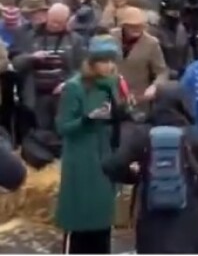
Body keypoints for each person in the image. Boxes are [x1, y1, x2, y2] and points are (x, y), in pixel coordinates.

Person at [102, 83, 198, 254]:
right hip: (189, 216)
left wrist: (134, 176)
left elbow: (111, 165)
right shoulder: (192, 134)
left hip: (151, 215)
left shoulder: (143, 134)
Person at [55, 35, 123, 254]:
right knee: (82, 219)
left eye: (112, 61)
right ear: (92, 62)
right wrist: (88, 119)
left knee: (103, 219)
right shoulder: (75, 87)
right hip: (82, 159)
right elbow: (63, 126)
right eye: (104, 61)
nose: (109, 66)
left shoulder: (111, 84)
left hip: (105, 155)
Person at [13, 3, 86, 133]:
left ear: (67, 22)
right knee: (41, 129)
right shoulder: (30, 36)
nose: (55, 25)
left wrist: (68, 83)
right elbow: (16, 63)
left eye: (59, 23)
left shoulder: (75, 40)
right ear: (47, 17)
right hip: (36, 92)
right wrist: (32, 57)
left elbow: (83, 68)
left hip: (63, 92)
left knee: (62, 128)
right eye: (53, 21)